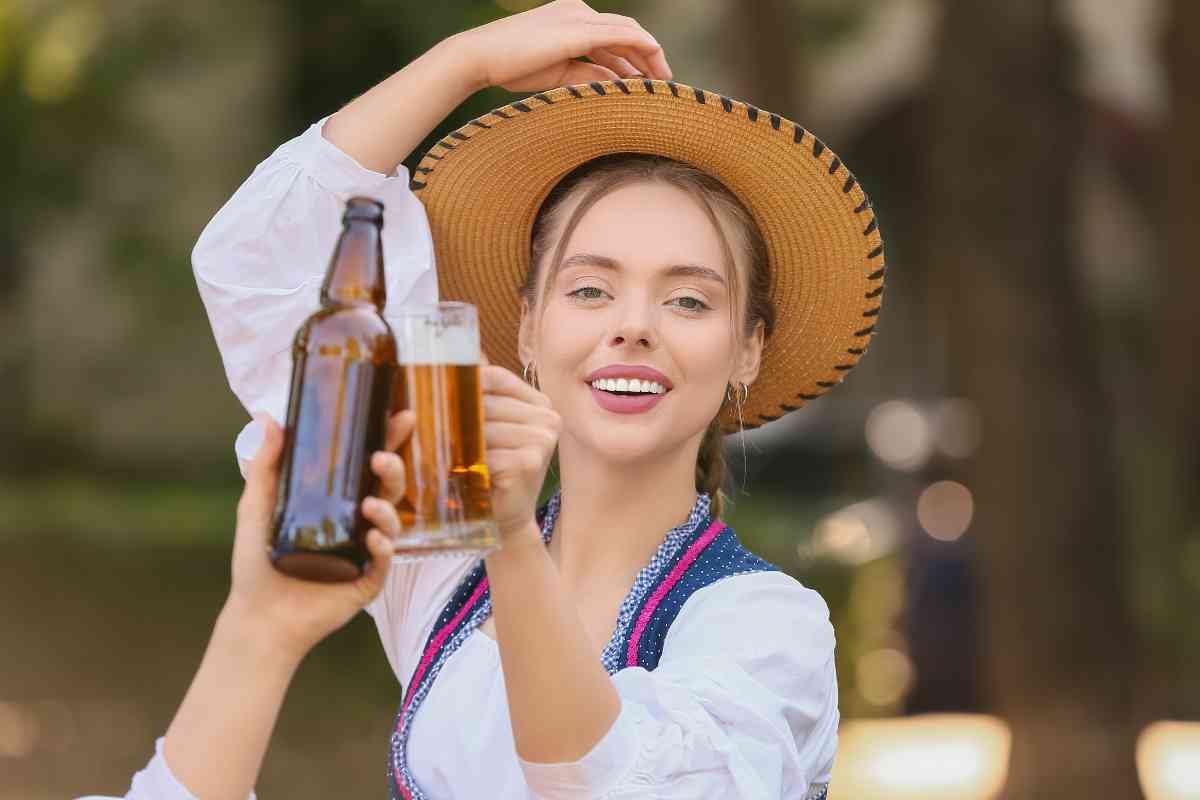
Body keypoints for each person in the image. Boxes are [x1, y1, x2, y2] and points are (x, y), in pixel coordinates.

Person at [83, 2, 885, 798]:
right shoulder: (441, 567)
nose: (634, 326)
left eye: (688, 300)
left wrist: (510, 538)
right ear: (528, 327)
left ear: (747, 349)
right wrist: (462, 63)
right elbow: (269, 270)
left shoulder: (766, 627)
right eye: (590, 289)